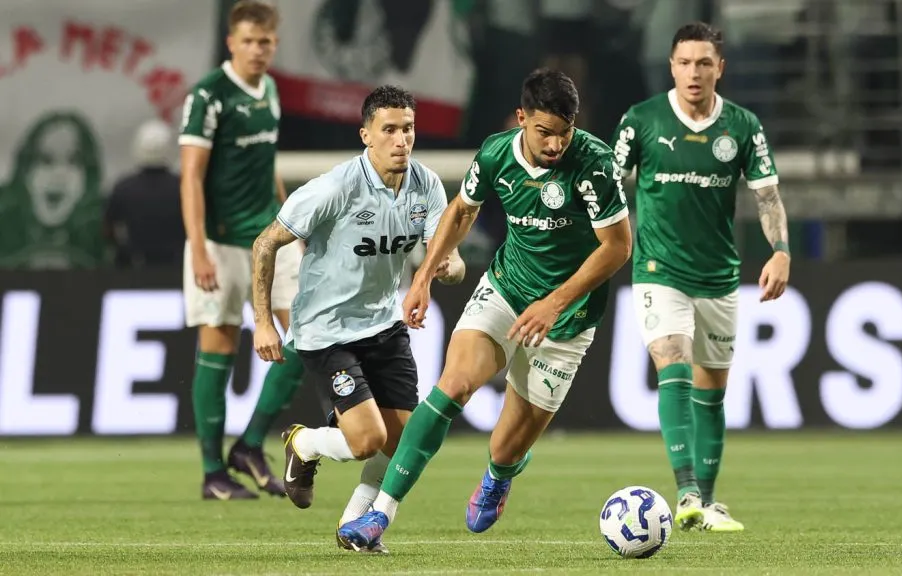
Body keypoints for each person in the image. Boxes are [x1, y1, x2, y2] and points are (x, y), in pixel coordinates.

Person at [338, 68, 633, 551]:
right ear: (522, 118)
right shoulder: (497, 153)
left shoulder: (595, 165)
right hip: (506, 290)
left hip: (568, 318)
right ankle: (379, 514)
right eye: (545, 132)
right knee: (452, 386)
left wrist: (554, 303)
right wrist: (423, 276)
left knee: (505, 447)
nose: (556, 144)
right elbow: (462, 210)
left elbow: (617, 247)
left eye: (565, 132)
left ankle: (501, 473)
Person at [249, 85, 464, 553]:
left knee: (403, 441)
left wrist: (447, 267)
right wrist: (263, 321)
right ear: (366, 135)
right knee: (367, 440)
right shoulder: (335, 188)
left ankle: (355, 528)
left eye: (408, 129)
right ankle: (305, 443)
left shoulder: (426, 185)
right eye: (389, 130)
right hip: (326, 332)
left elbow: (448, 258)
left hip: (384, 324)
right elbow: (265, 244)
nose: (401, 140)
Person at [612, 22, 791, 532]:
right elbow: (605, 185)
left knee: (712, 391)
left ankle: (707, 504)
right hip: (657, 269)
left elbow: (768, 196)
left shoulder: (743, 125)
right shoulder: (641, 120)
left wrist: (781, 251)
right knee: (673, 362)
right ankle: (686, 490)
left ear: (720, 68)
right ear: (671, 66)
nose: (694, 72)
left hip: (718, 274)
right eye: (685, 63)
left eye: (704, 63)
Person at [178, 0, 303, 500]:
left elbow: (267, 162)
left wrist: (288, 219)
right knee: (219, 349)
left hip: (269, 237)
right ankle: (213, 472)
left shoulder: (270, 89)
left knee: (308, 339)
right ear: (231, 42)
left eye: (265, 42)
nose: (257, 50)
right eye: (248, 41)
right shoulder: (209, 95)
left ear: (275, 44)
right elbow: (191, 175)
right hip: (220, 242)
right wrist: (198, 249)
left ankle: (250, 444)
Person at [105, 119, 184, 269]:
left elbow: (108, 228)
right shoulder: (183, 187)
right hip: (176, 266)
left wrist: (124, 249)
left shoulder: (124, 187)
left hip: (134, 266)